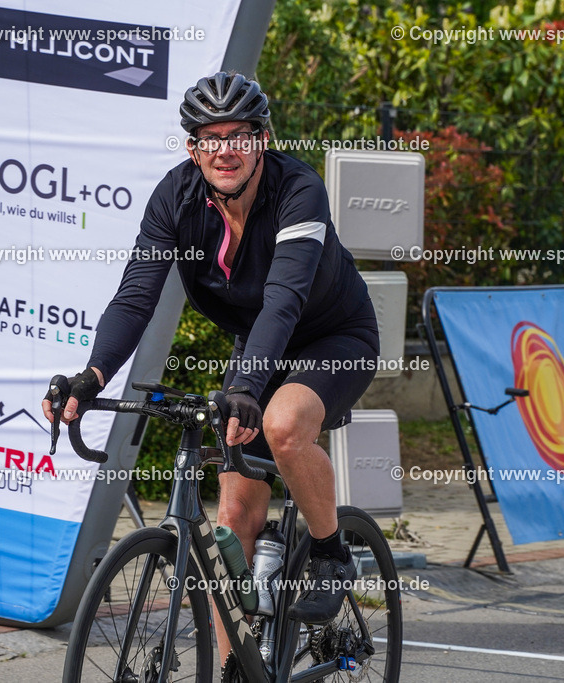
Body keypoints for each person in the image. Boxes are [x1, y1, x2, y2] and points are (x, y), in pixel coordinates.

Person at [42, 71, 379, 663]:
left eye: (240, 135)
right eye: (209, 136)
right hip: (259, 342)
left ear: (263, 140)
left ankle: (329, 553)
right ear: (192, 147)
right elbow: (135, 297)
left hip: (333, 334)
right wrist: (92, 376)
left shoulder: (297, 190)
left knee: (280, 426)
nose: (226, 148)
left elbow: (285, 298)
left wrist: (246, 386)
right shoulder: (174, 197)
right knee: (233, 515)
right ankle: (233, 667)